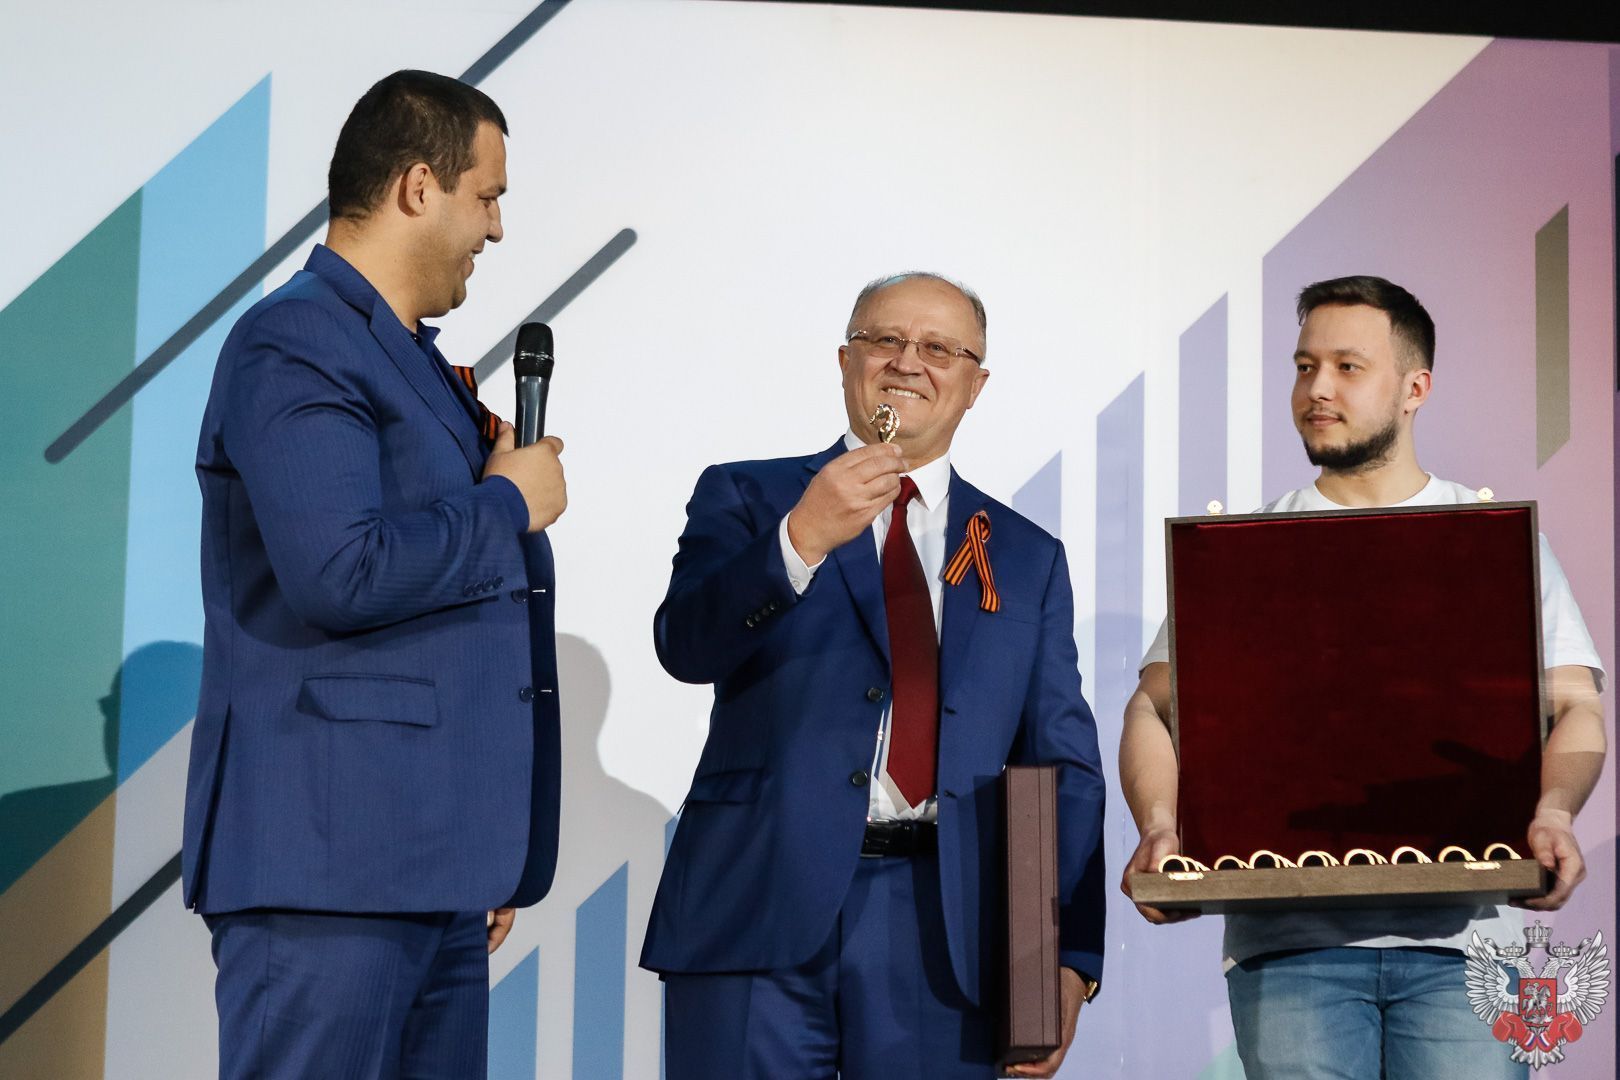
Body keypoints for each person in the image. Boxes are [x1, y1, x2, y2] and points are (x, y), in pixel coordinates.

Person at [1119, 275, 1607, 1078]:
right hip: (1288, 948)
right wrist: (1161, 826)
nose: (1317, 388)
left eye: (1348, 366)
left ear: (1415, 388)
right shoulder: (1248, 550)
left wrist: (1554, 810)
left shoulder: (1489, 539)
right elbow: (1153, 706)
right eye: (1304, 366)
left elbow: (1575, 703)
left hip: (1469, 949)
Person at [183, 70, 568, 1078]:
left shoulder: (403, 356)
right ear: (417, 186)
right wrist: (505, 504)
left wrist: (477, 847)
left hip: (433, 869)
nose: (495, 228)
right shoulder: (298, 338)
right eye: (486, 196)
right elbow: (340, 573)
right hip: (332, 870)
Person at [642, 273, 1106, 1079]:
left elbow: (1062, 765)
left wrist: (1070, 953)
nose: (907, 362)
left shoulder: (1026, 555)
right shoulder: (750, 495)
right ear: (845, 360)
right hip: (757, 899)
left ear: (976, 385)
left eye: (939, 348)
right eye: (885, 340)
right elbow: (686, 645)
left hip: (945, 929)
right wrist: (800, 538)